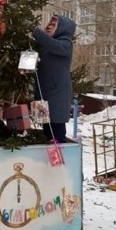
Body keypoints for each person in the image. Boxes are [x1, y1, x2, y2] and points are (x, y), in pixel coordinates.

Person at [31, 14, 77, 143]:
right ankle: (48, 161)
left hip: (57, 96)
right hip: (42, 95)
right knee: (46, 131)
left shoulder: (65, 44)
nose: (49, 26)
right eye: (49, 24)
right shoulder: (44, 47)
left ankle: (59, 161)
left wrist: (35, 31)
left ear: (62, 28)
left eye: (53, 25)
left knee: (56, 133)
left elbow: (51, 43)